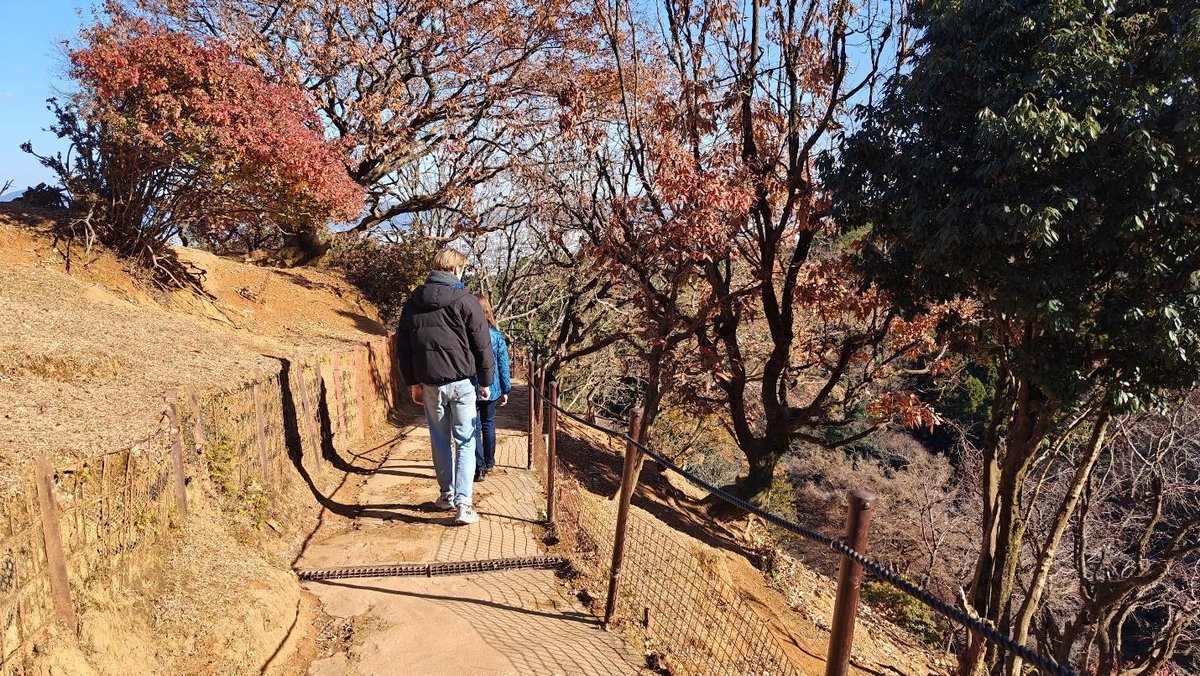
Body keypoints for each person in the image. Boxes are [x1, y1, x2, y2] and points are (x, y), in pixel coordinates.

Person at [394, 249, 493, 525]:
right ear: (456, 270)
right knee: (465, 441)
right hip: (462, 383)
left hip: (430, 384)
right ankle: (464, 505)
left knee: (440, 440)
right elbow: (482, 345)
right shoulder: (466, 301)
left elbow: (404, 347)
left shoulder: (413, 303)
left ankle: (446, 495)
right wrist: (486, 382)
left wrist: (412, 381)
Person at [472, 295, 511, 481]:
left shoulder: (466, 335)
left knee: (474, 426)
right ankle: (489, 462)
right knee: (488, 424)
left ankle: (478, 467)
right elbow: (503, 365)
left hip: (471, 388)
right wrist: (505, 389)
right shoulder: (496, 336)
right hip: (493, 388)